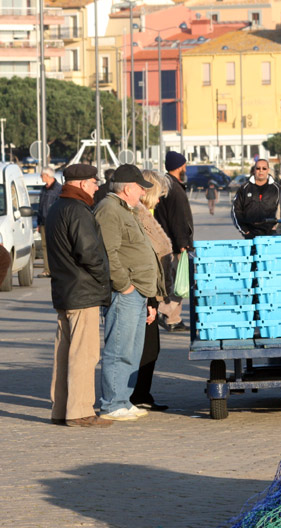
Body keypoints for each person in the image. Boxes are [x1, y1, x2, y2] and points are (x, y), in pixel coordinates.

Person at [45, 163, 112, 427]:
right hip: (83, 292)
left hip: (64, 290)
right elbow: (89, 253)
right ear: (83, 183)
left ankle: (60, 409)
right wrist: (103, 278)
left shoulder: (56, 208)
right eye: (95, 182)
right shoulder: (78, 210)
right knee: (84, 355)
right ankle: (81, 412)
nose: (97, 187)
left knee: (64, 353)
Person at [95, 164, 162, 422]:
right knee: (119, 348)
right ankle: (111, 403)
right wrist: (124, 285)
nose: (143, 194)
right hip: (125, 291)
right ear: (126, 189)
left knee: (133, 350)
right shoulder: (109, 210)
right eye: (139, 189)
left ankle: (124, 398)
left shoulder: (126, 209)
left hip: (138, 291)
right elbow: (108, 253)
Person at [131, 170, 170, 411]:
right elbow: (142, 257)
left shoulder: (147, 214)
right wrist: (149, 299)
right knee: (144, 348)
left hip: (151, 291)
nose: (159, 200)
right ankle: (135, 394)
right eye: (158, 195)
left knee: (150, 347)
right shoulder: (137, 215)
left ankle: (142, 393)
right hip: (143, 291)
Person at [154, 151, 193, 332]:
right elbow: (178, 219)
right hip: (176, 244)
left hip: (167, 240)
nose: (185, 168)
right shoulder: (175, 189)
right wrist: (183, 243)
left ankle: (173, 319)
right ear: (179, 166)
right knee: (180, 282)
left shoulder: (166, 185)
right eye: (184, 165)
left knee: (176, 282)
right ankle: (165, 312)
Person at [232, 158, 281, 238]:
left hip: (271, 235)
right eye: (258, 168)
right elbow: (236, 210)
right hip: (250, 234)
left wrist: (277, 227)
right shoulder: (244, 188)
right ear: (254, 170)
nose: (261, 171)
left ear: (268, 170)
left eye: (264, 168)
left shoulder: (277, 189)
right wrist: (245, 230)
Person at [37, 166, 62, 278]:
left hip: (54, 222)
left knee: (56, 246)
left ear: (48, 176)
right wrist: (38, 222)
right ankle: (47, 269)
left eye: (42, 175)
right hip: (43, 222)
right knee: (44, 246)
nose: (41, 177)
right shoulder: (43, 189)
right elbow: (40, 206)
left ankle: (57, 269)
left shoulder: (58, 189)